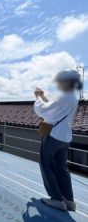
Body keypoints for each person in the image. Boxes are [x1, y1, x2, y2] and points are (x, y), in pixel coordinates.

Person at [34, 69, 82, 211]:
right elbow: (55, 109)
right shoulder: (72, 96)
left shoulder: (64, 96)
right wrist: (44, 96)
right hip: (65, 137)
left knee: (46, 165)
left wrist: (37, 97)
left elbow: (43, 110)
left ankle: (56, 199)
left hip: (54, 136)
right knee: (62, 168)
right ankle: (69, 200)